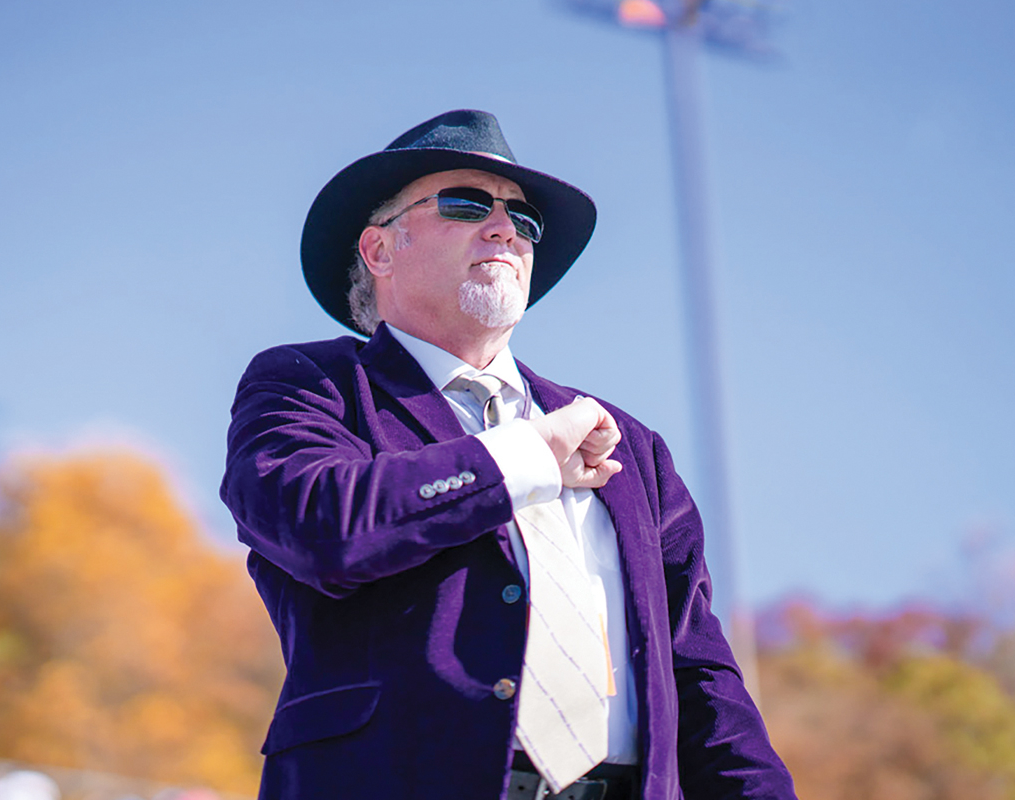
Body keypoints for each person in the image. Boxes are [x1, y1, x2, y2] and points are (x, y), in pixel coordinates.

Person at [220, 110, 796, 800]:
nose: (505, 230)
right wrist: (522, 461)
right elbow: (322, 528)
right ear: (379, 251)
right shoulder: (313, 387)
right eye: (467, 203)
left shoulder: (631, 447)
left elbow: (699, 671)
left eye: (525, 222)